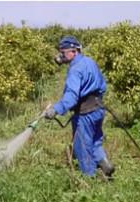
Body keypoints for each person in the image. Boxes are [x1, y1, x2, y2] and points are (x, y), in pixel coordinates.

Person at [44, 36, 114, 179]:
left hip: (85, 113)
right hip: (99, 108)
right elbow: (102, 84)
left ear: (74, 52)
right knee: (95, 139)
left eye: (63, 53)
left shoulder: (75, 70)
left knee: (82, 146)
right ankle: (104, 163)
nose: (61, 56)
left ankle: (90, 180)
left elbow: (71, 97)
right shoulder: (89, 61)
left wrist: (55, 109)